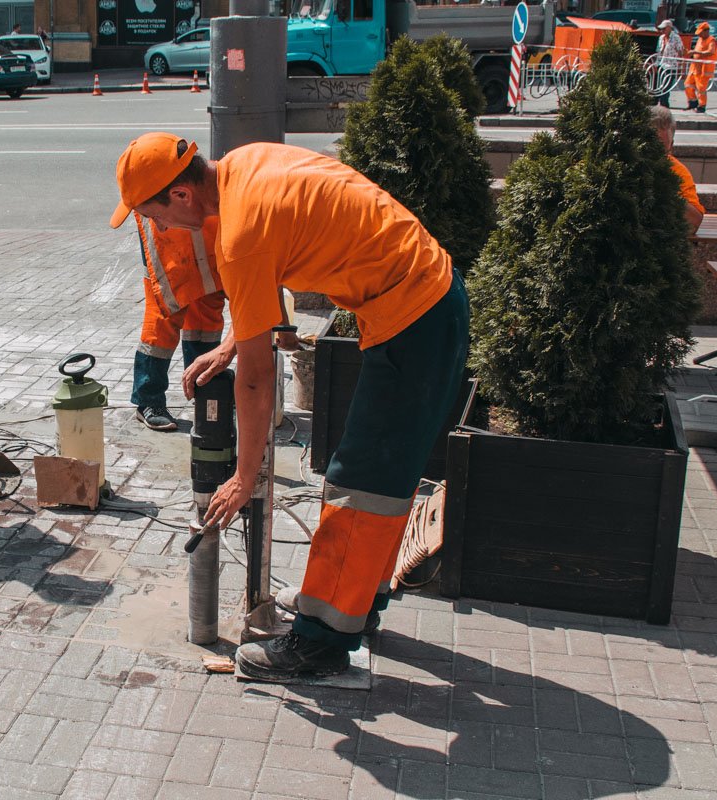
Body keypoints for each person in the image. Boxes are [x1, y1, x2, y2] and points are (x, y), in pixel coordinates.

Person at [109, 133, 469, 680]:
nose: (159, 228)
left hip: (415, 319)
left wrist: (244, 476)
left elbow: (256, 381)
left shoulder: (239, 236)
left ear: (181, 195)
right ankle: (354, 606)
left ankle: (320, 643)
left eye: (154, 216)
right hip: (424, 301)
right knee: (385, 476)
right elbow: (272, 270)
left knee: (361, 481)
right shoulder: (245, 167)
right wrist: (231, 344)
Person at [130, 212, 225, 431]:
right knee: (165, 308)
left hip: (207, 221)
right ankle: (149, 399)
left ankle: (205, 388)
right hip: (166, 220)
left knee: (208, 301)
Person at [652, 106, 706, 231]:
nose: (655, 154)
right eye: (650, 145)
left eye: (662, 149)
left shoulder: (676, 170)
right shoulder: (620, 165)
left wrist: (664, 189)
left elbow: (694, 222)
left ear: (671, 146)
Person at [686, 21, 717, 113]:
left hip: (704, 69)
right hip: (695, 67)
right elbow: (697, 50)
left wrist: (695, 52)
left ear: (706, 31)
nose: (699, 35)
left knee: (701, 88)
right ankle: (693, 102)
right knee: (688, 84)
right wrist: (691, 53)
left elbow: (711, 52)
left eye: (700, 33)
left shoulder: (712, 40)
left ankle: (701, 106)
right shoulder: (700, 39)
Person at [655, 19, 684, 108]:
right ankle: (657, 102)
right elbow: (658, 51)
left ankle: (664, 104)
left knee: (666, 86)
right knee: (658, 85)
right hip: (661, 64)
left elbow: (680, 51)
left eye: (664, 28)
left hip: (671, 66)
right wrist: (656, 64)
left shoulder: (676, 38)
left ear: (669, 28)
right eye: (661, 29)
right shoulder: (661, 38)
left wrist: (680, 65)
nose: (662, 30)